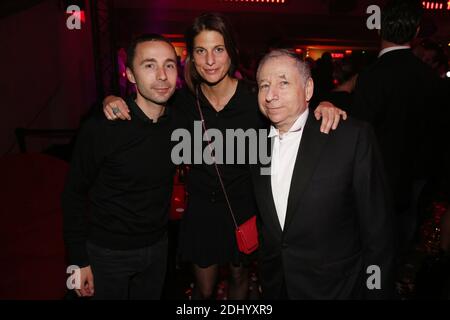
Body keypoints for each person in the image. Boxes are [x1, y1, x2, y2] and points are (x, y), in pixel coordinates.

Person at [102, 13, 347, 299]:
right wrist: (110, 100)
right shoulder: (181, 103)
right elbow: (144, 110)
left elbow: (296, 113)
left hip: (243, 208)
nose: (210, 60)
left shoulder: (257, 98)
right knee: (202, 291)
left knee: (239, 281)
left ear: (231, 51)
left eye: (218, 49)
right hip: (201, 211)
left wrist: (325, 104)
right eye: (201, 51)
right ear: (191, 57)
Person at [252, 49, 395, 299]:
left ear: (308, 89)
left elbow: (378, 230)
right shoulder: (255, 145)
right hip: (278, 285)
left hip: (336, 288)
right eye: (264, 85)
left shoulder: (350, 137)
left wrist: (375, 291)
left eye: (283, 83)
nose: (270, 95)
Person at [62, 34, 180, 299]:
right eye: (149, 65)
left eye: (169, 65)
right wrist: (77, 261)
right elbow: (73, 194)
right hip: (107, 253)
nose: (162, 75)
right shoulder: (103, 128)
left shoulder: (178, 122)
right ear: (130, 75)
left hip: (158, 248)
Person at [352, 0, 446, 261]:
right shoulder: (430, 79)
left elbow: (358, 135)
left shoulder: (372, 76)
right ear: (416, 33)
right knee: (397, 250)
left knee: (371, 251)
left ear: (379, 29)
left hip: (375, 180)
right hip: (415, 179)